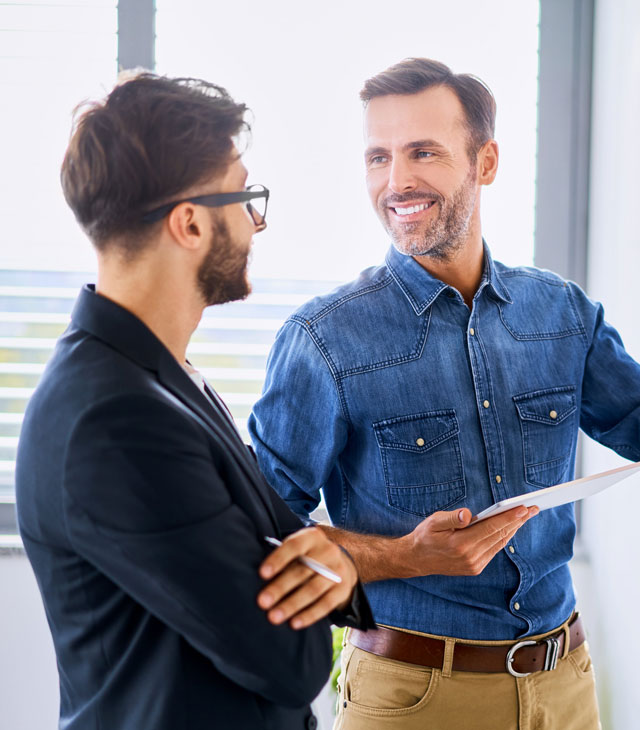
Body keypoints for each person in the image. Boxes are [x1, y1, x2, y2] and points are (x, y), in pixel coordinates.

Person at [248, 58, 640, 729]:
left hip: (565, 688)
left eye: (423, 153)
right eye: (378, 157)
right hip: (414, 698)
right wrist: (403, 556)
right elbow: (261, 537)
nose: (397, 181)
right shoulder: (324, 340)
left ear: (487, 162)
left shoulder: (562, 314)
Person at [15, 73, 374, 730]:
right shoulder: (116, 420)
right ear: (189, 223)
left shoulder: (156, 376)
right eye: (243, 197)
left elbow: (280, 539)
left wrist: (324, 555)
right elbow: (287, 661)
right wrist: (335, 568)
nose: (254, 222)